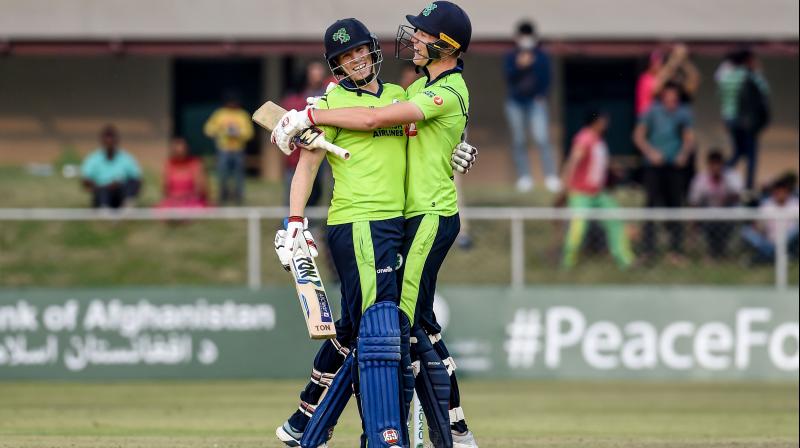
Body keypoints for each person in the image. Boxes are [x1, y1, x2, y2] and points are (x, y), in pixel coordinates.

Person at [273, 3, 478, 447]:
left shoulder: (395, 97)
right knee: (380, 329)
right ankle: (373, 430)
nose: (357, 61)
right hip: (358, 223)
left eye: (362, 51)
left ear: (372, 51)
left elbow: (412, 127)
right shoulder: (329, 101)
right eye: (346, 58)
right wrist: (293, 221)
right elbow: (306, 168)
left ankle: (306, 419)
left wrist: (459, 148)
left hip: (401, 224)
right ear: (336, 65)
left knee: (368, 328)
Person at [561, 111, 634, 269]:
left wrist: (615, 171)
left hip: (598, 192)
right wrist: (565, 186)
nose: (606, 124)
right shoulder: (584, 138)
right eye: (603, 120)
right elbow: (573, 162)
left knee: (615, 220)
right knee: (578, 226)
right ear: (595, 121)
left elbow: (601, 162)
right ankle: (568, 262)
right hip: (580, 192)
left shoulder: (599, 140)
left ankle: (624, 259)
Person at [633, 83, 695, 265]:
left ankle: (675, 251)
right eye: (668, 99)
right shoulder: (652, 111)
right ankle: (648, 251)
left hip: (674, 167)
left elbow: (689, 137)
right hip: (654, 167)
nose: (671, 103)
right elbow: (638, 136)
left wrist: (683, 155)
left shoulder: (684, 113)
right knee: (650, 207)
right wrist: (651, 153)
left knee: (675, 207)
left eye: (674, 99)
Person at [503, 21, 560, 193]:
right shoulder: (511, 56)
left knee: (542, 139)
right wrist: (520, 66)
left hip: (536, 103)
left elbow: (547, 78)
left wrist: (542, 96)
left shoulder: (541, 56)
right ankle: (524, 177)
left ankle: (550, 177)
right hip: (515, 103)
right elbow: (508, 77)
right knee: (519, 140)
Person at [716, 47, 770, 190]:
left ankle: (720, 176)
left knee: (737, 152)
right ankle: (749, 186)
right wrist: (758, 71)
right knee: (751, 156)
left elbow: (722, 96)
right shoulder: (750, 76)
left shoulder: (727, 77)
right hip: (748, 120)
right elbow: (765, 89)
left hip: (730, 120)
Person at [281, 62, 332, 206]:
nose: (317, 76)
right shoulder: (295, 98)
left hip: (325, 147)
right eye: (314, 72)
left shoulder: (330, 94)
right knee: (295, 189)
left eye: (320, 72)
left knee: (319, 189)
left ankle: (317, 224)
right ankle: (290, 222)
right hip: (300, 150)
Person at [688, 149, 743, 259]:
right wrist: (693, 224)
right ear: (708, 165)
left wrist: (724, 182)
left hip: (727, 212)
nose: (716, 167)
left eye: (718, 164)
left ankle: (722, 252)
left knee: (728, 222)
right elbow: (694, 202)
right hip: (708, 213)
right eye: (713, 164)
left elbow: (738, 196)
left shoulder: (731, 176)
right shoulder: (700, 179)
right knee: (708, 224)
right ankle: (713, 252)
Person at [203, 91, 254, 205]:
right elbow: (208, 129)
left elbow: (249, 133)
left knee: (239, 175)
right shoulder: (220, 114)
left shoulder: (242, 114)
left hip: (238, 149)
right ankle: (223, 196)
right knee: (222, 174)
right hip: (223, 149)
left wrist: (238, 133)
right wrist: (221, 130)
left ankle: (238, 198)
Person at [741, 174, 799, 263]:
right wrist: (759, 229)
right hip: (769, 241)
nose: (780, 193)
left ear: (787, 192)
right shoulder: (766, 205)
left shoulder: (795, 205)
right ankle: (780, 256)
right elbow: (759, 227)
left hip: (789, 240)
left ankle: (765, 258)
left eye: (783, 191)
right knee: (747, 232)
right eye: (778, 191)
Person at [80, 125, 141, 209]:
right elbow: (85, 180)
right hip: (102, 191)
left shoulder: (126, 158)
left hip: (121, 192)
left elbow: (137, 179)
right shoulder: (93, 159)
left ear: (117, 141)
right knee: (103, 192)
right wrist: (102, 186)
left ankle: (128, 206)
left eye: (112, 139)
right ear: (102, 141)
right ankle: (104, 210)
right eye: (107, 139)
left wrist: (119, 185)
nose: (109, 142)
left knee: (131, 182)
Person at [635, 44, 700, 117]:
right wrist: (675, 59)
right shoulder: (647, 78)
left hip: (671, 116)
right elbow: (656, 88)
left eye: (660, 62)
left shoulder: (673, 78)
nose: (659, 65)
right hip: (650, 117)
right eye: (655, 62)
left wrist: (682, 60)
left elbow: (694, 79)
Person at [156, 137, 208, 209]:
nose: (180, 152)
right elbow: (164, 187)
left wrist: (186, 196)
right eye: (177, 150)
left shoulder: (195, 163)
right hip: (173, 201)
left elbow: (200, 188)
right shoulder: (169, 164)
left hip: (192, 201)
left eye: (182, 149)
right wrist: (175, 197)